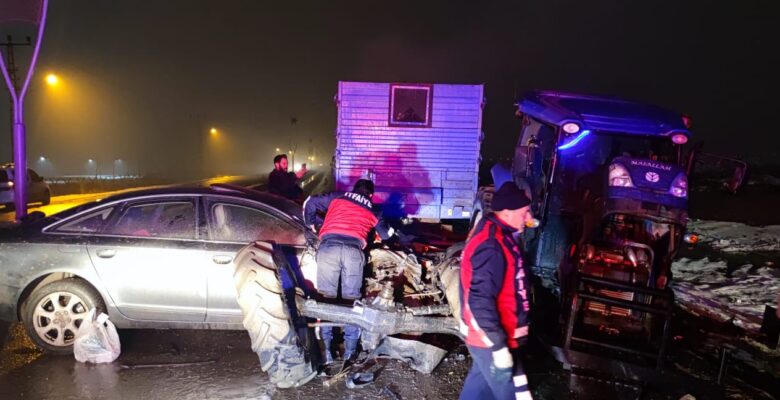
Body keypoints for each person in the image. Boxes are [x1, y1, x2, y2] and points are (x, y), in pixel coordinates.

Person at [303, 179, 394, 364]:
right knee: (353, 302)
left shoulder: (338, 196)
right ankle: (350, 353)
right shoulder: (374, 209)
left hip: (328, 249)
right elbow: (386, 235)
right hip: (353, 252)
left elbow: (310, 202)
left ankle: (327, 352)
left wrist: (311, 223)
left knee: (326, 300)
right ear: (370, 195)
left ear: (354, 189)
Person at [459, 182, 535, 400]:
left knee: (477, 393)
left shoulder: (500, 234)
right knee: (518, 396)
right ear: (508, 212)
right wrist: (499, 347)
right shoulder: (492, 245)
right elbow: (480, 301)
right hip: (492, 341)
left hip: (493, 339)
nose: (528, 217)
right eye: (524, 212)